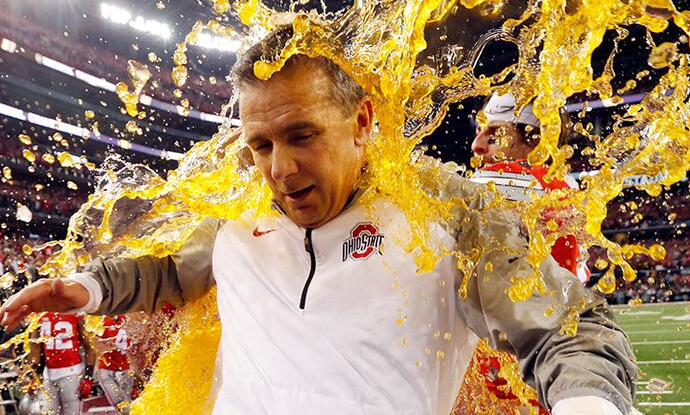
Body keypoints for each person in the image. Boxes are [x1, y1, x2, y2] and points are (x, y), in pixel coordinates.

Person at [1, 25, 636, 414]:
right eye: (261, 145)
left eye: (302, 135)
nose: (279, 169)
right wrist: (86, 288)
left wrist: (588, 405)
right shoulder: (235, 212)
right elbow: (170, 268)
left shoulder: (446, 208)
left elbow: (566, 327)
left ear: (362, 123)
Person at [470, 91, 591, 283]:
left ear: (535, 140)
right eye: (478, 132)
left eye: (494, 136)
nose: (476, 146)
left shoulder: (515, 176)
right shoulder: (564, 183)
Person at [29, 312, 91, 415]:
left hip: (72, 372)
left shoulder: (75, 313)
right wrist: (34, 376)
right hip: (48, 374)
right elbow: (34, 346)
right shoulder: (40, 315)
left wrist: (88, 377)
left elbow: (89, 346)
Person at [94, 314, 134, 414]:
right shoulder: (100, 322)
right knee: (123, 405)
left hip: (125, 369)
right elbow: (95, 345)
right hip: (108, 370)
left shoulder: (127, 319)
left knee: (127, 404)